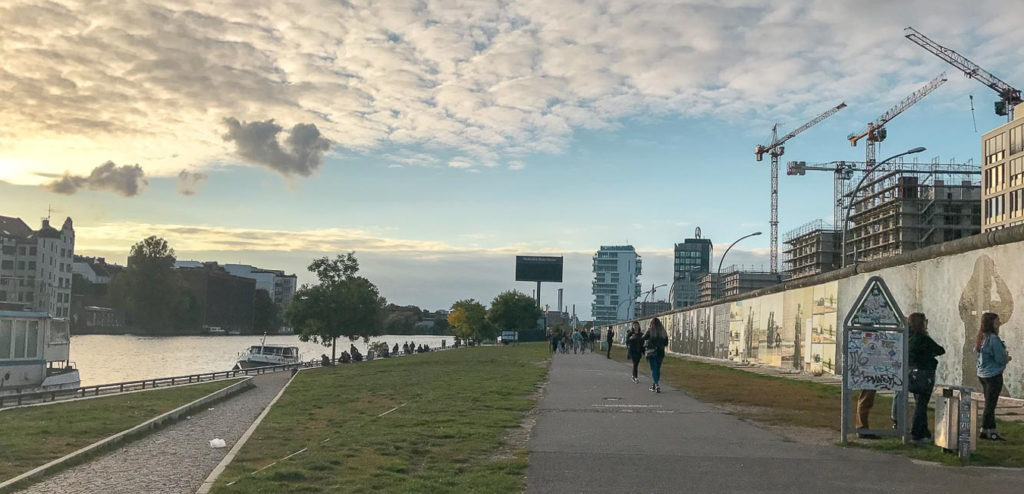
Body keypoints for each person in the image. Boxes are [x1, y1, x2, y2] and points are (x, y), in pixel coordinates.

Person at [906, 313, 944, 442]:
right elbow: (940, 350)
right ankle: (917, 433)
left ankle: (924, 431)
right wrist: (930, 353)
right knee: (921, 404)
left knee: (920, 403)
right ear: (922, 323)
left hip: (912, 374)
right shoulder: (923, 338)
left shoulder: (909, 338)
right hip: (924, 374)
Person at [977, 312, 1011, 441]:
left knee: (989, 403)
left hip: (983, 374)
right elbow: (1000, 358)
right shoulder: (993, 339)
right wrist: (1007, 357)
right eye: (997, 321)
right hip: (993, 375)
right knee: (990, 406)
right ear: (991, 323)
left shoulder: (982, 337)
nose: (1000, 323)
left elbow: (978, 353)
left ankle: (990, 430)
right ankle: (987, 432)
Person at [643, 318, 668, 393]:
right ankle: (654, 385)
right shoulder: (663, 332)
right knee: (657, 369)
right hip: (660, 353)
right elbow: (666, 343)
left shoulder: (650, 331)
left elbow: (643, 338)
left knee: (653, 369)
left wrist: (648, 330)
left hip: (651, 353)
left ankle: (657, 385)